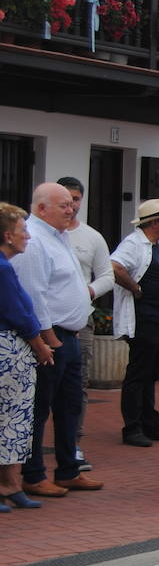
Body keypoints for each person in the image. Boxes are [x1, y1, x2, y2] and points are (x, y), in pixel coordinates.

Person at [13, 183, 99, 497]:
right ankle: (33, 473)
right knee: (41, 406)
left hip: (69, 335)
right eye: (62, 205)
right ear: (41, 208)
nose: (71, 209)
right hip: (53, 338)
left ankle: (67, 469)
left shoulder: (59, 237)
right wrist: (49, 339)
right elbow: (35, 296)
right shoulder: (34, 241)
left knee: (70, 406)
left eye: (71, 204)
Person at [110, 200, 159, 448]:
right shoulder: (133, 243)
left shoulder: (157, 244)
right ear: (154, 223)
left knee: (152, 373)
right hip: (145, 318)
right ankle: (132, 427)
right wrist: (135, 288)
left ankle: (150, 423)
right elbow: (115, 266)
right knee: (139, 373)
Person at [0, 202, 54, 510]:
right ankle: (8, 482)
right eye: (23, 231)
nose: (28, 237)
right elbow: (18, 313)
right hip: (9, 349)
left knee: (12, 417)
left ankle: (9, 483)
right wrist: (40, 344)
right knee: (13, 417)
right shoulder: (3, 268)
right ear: (8, 235)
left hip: (10, 347)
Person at [56, 176, 112, 462]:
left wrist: (88, 291)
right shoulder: (41, 235)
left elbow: (107, 276)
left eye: (75, 199)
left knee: (77, 383)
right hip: (46, 321)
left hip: (81, 319)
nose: (71, 206)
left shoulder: (91, 237)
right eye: (65, 200)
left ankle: (73, 442)